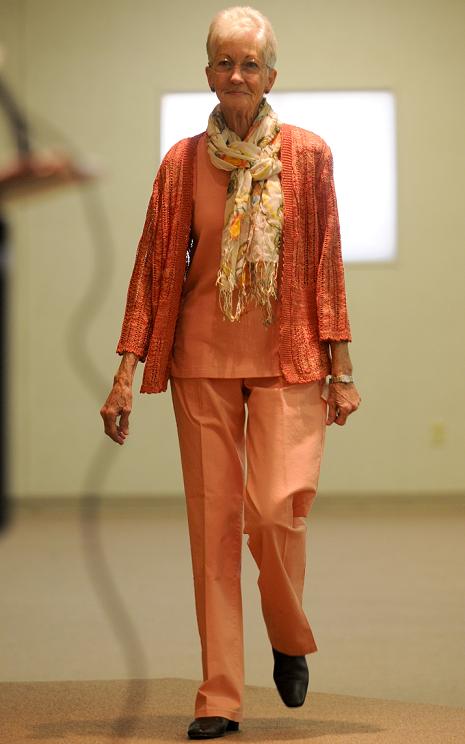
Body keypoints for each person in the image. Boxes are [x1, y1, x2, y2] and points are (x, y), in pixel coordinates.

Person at [100, 6, 361, 739]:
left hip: (290, 361)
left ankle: (285, 630)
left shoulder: (307, 156)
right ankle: (218, 695)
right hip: (202, 363)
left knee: (275, 512)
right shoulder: (183, 163)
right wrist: (124, 373)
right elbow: (153, 273)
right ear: (207, 73)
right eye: (224, 62)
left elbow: (325, 267)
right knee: (212, 531)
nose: (236, 76)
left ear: (271, 74)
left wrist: (342, 367)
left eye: (249, 64)